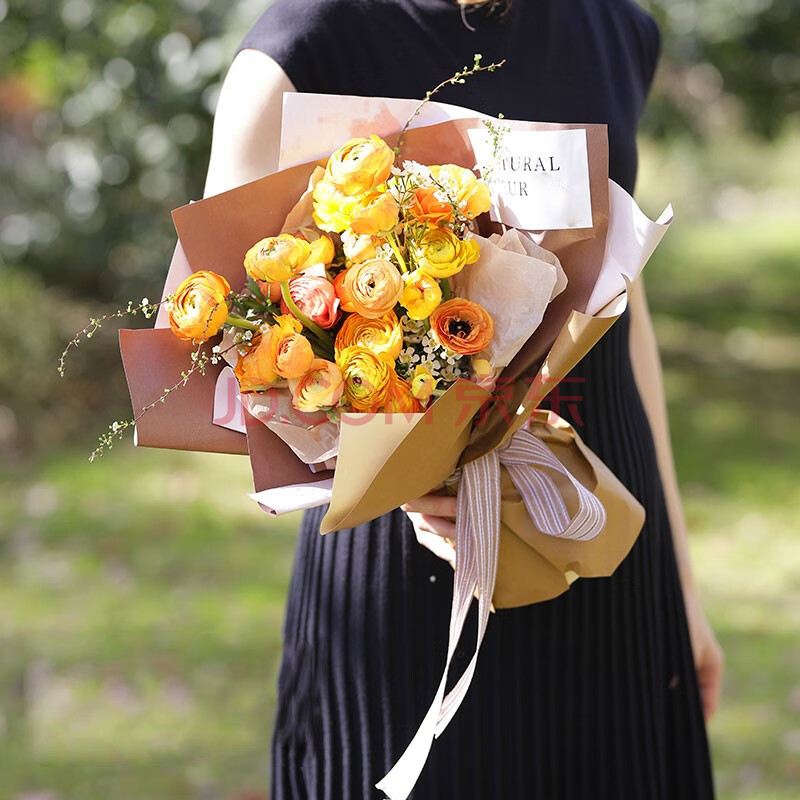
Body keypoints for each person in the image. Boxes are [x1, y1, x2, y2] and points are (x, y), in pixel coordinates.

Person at [203, 1, 723, 797]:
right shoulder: (300, 47)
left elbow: (626, 315)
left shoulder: (619, 27)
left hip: (599, 533)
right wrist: (409, 478)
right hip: (404, 577)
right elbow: (230, 351)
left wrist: (680, 588)